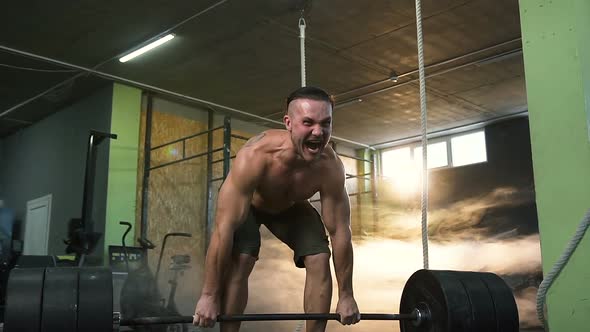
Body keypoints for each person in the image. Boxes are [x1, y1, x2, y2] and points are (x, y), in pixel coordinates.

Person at [193, 86, 360, 332]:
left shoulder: (331, 167)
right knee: (243, 257)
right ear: (288, 123)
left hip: (292, 207)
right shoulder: (256, 155)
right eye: (308, 122)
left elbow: (340, 232)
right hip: (250, 205)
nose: (318, 132)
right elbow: (223, 230)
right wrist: (209, 295)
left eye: (326, 123)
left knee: (319, 256)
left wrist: (346, 294)